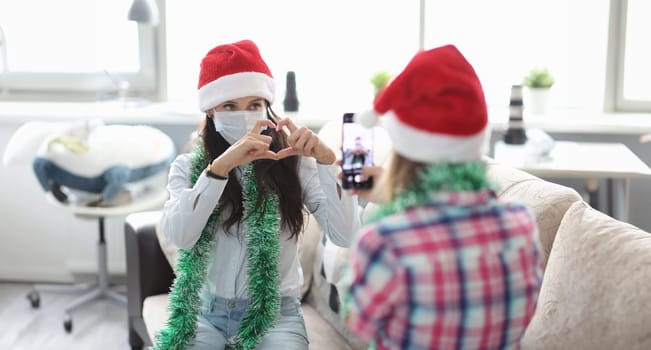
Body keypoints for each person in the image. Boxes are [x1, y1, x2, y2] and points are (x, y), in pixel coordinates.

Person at [155, 39, 361, 350]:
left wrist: (327, 161)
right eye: (229, 106)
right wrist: (220, 169)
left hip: (276, 315)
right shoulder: (188, 167)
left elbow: (346, 235)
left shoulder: (294, 164)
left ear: (267, 108)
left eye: (254, 105)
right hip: (204, 312)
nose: (244, 116)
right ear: (211, 111)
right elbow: (180, 235)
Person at [341, 44, 542, 349]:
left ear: (404, 152)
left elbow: (357, 320)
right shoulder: (521, 223)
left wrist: (398, 205)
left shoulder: (385, 243)